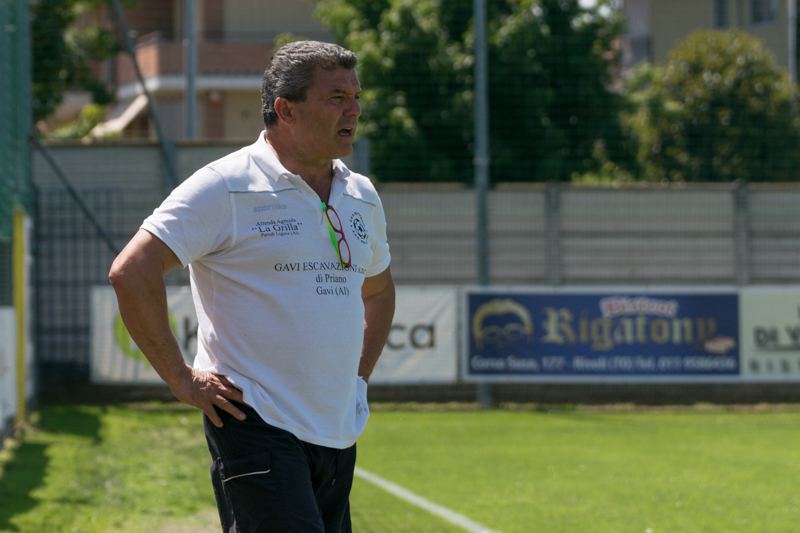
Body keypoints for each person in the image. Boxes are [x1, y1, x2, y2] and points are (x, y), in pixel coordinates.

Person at [109, 40, 395, 532]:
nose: (354, 109)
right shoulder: (225, 185)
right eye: (336, 97)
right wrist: (182, 378)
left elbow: (379, 292)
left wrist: (359, 378)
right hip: (254, 423)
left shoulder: (361, 193)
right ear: (286, 110)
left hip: (336, 428)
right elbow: (132, 270)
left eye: (356, 96)